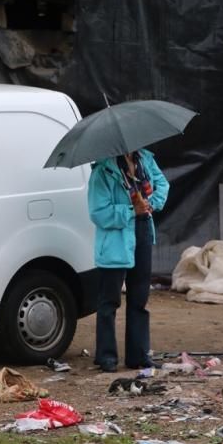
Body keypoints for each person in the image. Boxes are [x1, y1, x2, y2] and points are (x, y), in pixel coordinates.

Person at [87, 148, 169, 372]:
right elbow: (98, 212)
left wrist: (151, 204)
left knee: (139, 299)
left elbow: (162, 185)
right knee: (109, 302)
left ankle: (138, 355)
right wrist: (131, 209)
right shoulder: (103, 171)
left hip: (142, 232)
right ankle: (106, 357)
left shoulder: (146, 160)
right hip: (115, 242)